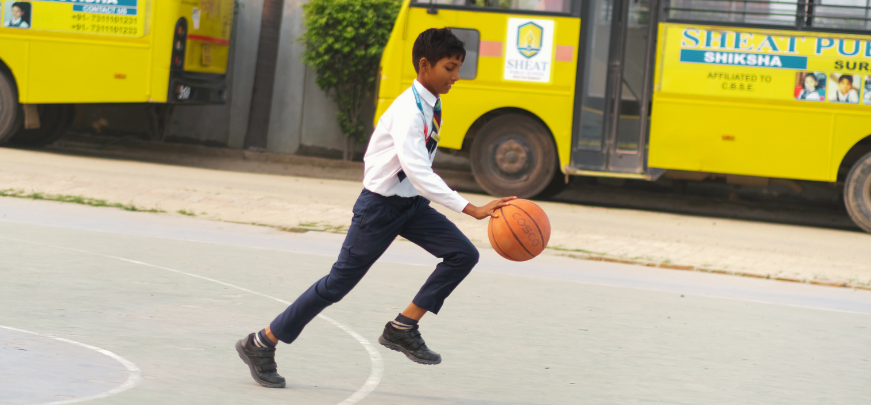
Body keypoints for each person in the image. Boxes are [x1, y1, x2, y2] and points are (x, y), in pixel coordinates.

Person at [235, 28, 516, 388]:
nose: (456, 76)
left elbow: (417, 172)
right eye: (450, 67)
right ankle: (261, 342)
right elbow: (418, 171)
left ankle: (403, 326)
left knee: (463, 254)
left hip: (411, 205)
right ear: (425, 65)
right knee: (336, 285)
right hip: (379, 209)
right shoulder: (408, 111)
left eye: (458, 67)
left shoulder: (431, 103)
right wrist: (471, 208)